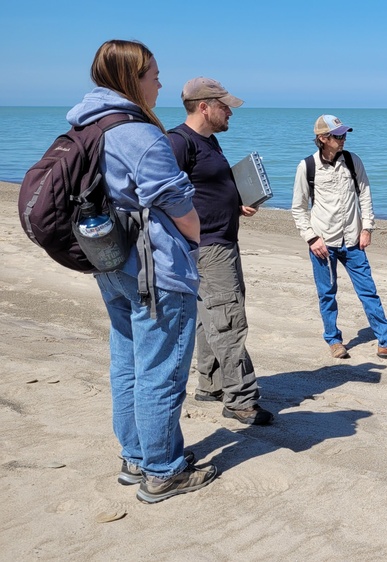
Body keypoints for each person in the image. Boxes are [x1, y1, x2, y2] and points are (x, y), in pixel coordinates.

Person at [66, 39, 217, 503]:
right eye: (153, 74)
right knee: (161, 369)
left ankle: (136, 457)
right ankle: (162, 470)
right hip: (153, 267)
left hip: (111, 260)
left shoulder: (89, 124)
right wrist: (194, 238)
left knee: (128, 363)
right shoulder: (139, 132)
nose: (160, 82)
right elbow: (177, 202)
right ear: (131, 79)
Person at [168, 77, 273, 426]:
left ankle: (211, 384)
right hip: (209, 247)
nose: (230, 112)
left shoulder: (208, 141)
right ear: (204, 107)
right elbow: (164, 197)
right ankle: (241, 399)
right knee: (229, 321)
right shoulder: (179, 142)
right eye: (225, 106)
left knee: (209, 317)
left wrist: (234, 202)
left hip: (218, 242)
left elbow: (202, 190)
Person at [291, 115, 387, 361]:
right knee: (327, 293)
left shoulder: (353, 160)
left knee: (368, 291)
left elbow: (365, 194)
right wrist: (311, 238)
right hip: (322, 243)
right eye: (337, 135)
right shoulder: (306, 166)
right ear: (322, 139)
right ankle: (334, 341)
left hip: (352, 240)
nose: (343, 138)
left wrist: (367, 227)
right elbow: (298, 208)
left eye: (344, 134)